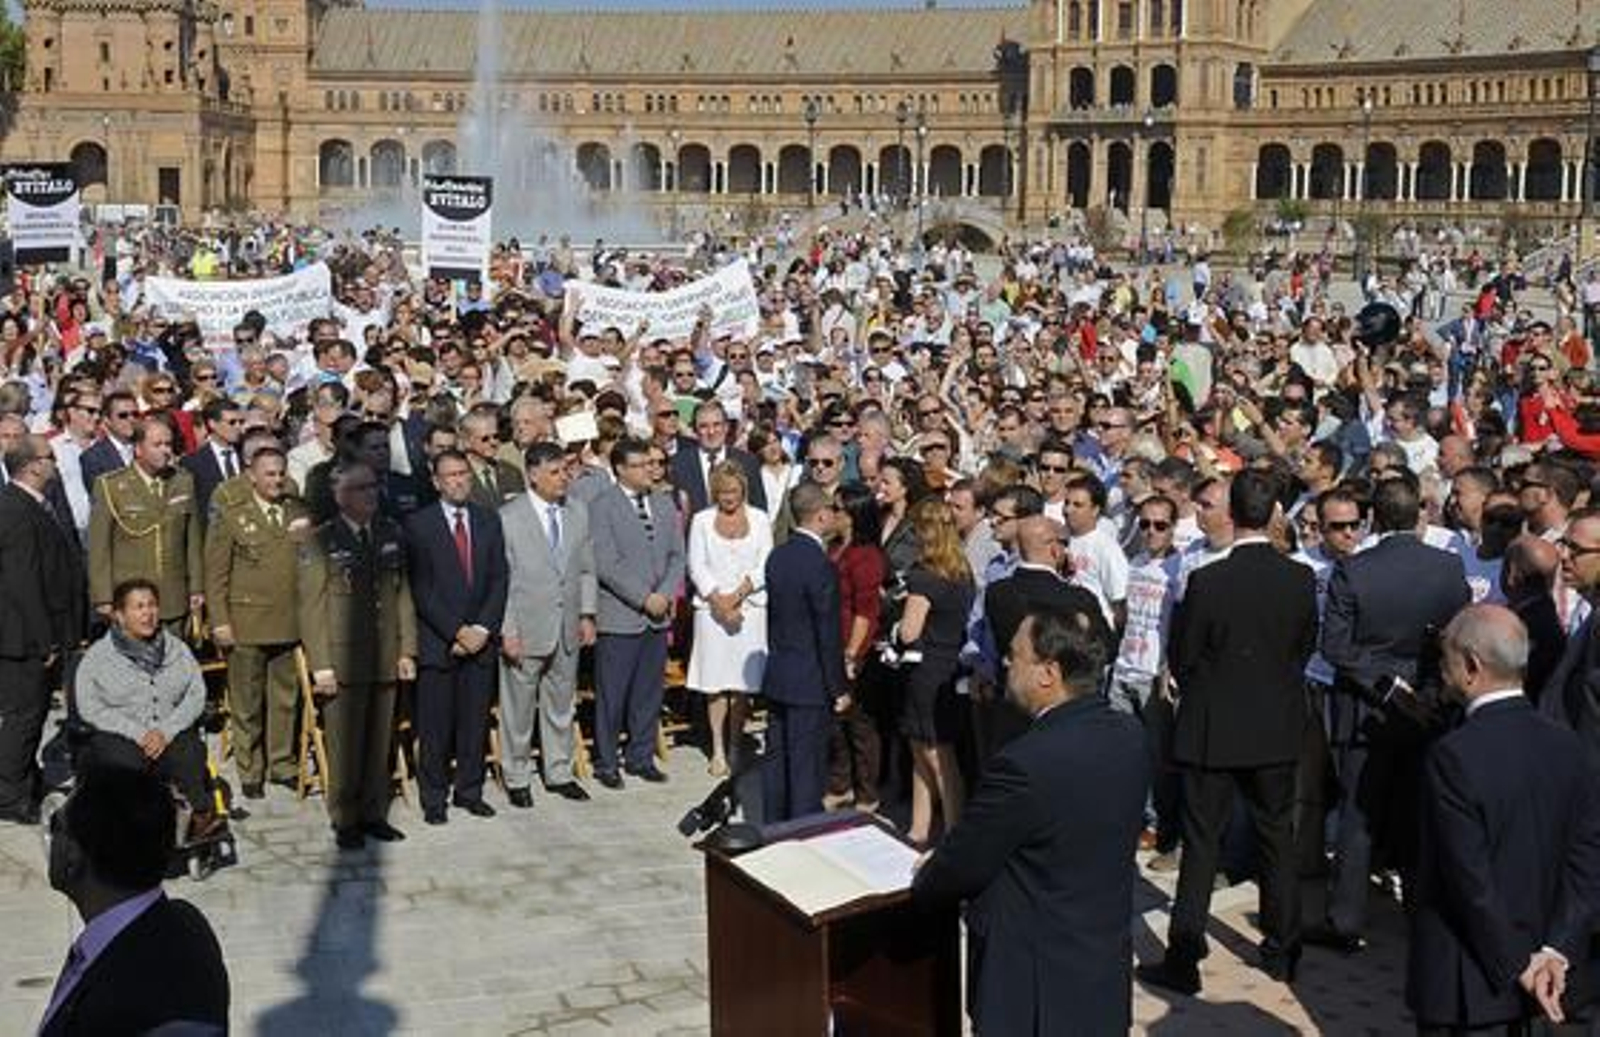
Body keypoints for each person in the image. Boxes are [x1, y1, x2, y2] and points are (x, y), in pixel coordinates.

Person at [913, 609, 1148, 1036]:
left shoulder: (1024, 765)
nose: (1005, 663)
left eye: (1015, 655)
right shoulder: (1130, 737)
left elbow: (963, 863)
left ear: (1048, 673)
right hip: (1099, 976)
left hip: (1034, 989)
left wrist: (925, 874)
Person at [1139, 469, 1319, 996]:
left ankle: (1184, 956)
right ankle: (1283, 952)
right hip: (1272, 727)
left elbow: (1185, 654)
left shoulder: (1209, 580)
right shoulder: (1299, 578)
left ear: (1233, 514)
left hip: (1213, 727)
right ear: (1274, 516)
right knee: (1276, 839)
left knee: (1201, 844)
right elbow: (1301, 649)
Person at [1408, 604, 1600, 1036]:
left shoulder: (1453, 755)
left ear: (1472, 665)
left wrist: (1519, 963)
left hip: (1467, 981)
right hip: (1541, 972)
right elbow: (1586, 860)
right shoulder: (1567, 745)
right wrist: (1556, 949)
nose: (1441, 670)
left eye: (1446, 659)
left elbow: (1468, 878)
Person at [1315, 476, 1472, 952]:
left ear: (1374, 519)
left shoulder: (1355, 570)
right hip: (1422, 707)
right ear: (1418, 514)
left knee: (1360, 815)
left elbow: (1337, 648)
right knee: (1414, 813)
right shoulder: (1447, 567)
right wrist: (1419, 689)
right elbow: (1455, 632)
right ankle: (1420, 917)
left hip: (1372, 708)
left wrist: (1389, 687)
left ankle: (1346, 920)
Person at [38, 766, 229, 1037]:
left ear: (73, 855)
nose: (50, 837)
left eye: (57, 823)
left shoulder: (130, 1001)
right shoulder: (187, 921)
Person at [299, 461, 418, 850]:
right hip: (342, 660)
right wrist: (320, 665)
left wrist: (407, 649)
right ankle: (345, 818)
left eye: (373, 487)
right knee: (346, 745)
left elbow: (401, 594)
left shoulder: (390, 533)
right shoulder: (322, 541)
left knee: (378, 741)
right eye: (361, 488)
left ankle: (372, 813)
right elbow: (312, 609)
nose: (371, 494)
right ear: (340, 496)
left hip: (383, 655)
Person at [403, 449, 509, 825]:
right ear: (436, 482)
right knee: (435, 726)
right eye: (450, 475)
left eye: (464, 473)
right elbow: (421, 587)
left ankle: (470, 790)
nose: (459, 480)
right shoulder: (418, 524)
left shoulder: (488, 520)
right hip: (439, 642)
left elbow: (499, 578)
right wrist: (456, 630)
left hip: (480, 641)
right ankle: (434, 797)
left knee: (474, 722)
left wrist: (481, 629)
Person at [73, 579, 219, 838]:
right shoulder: (98, 657)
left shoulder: (176, 649)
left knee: (191, 752)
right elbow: (89, 706)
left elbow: (196, 693)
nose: (148, 613)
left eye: (152, 605)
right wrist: (138, 732)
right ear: (119, 615)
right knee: (124, 763)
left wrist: (166, 729)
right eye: (139, 607)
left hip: (168, 731)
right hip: (121, 734)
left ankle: (199, 816)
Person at [203, 445, 308, 799]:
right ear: (251, 476)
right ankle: (251, 769)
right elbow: (216, 573)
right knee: (247, 701)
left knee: (285, 698)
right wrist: (219, 621)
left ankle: (282, 763)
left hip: (289, 620)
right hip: (246, 620)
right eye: (269, 473)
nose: (277, 480)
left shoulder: (298, 510)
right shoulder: (233, 514)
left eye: (281, 473)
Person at [499, 441, 597, 806]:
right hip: (526, 626)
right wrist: (508, 629)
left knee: (560, 703)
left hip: (567, 624)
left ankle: (558, 771)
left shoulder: (577, 511)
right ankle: (517, 775)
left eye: (565, 471)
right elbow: (504, 580)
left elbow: (587, 567)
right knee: (519, 709)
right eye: (555, 472)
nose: (564, 479)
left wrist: (586, 614)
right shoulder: (510, 517)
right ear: (534, 475)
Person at [589, 437, 686, 788]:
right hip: (621, 615)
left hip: (657, 616)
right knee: (613, 693)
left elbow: (678, 554)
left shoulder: (662, 503)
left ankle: (641, 756)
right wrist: (644, 597)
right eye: (643, 465)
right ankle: (606, 761)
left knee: (648, 691)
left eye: (653, 464)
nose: (651, 470)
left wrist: (663, 593)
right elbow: (606, 561)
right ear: (621, 469)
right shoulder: (602, 506)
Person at [0, 434, 85, 824]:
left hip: (40, 631)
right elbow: (22, 580)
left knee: (29, 716)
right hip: (25, 638)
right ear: (33, 465)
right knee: (25, 715)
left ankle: (21, 779)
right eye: (49, 457)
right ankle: (10, 795)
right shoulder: (15, 508)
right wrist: (43, 638)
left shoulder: (33, 504)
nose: (55, 462)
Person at [761, 481, 847, 822]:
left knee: (778, 762)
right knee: (806, 767)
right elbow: (826, 632)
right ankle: (802, 833)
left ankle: (773, 827)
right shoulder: (819, 564)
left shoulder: (777, 555)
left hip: (780, 672)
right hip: (810, 679)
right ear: (821, 515)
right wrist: (838, 686)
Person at [892, 498, 976, 845]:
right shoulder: (962, 572)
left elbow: (910, 631)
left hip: (927, 670)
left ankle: (951, 832)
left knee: (933, 756)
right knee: (929, 751)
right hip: (951, 666)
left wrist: (895, 627)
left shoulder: (924, 576)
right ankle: (920, 827)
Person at [685, 461, 772, 777]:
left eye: (734, 491)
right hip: (711, 612)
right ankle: (718, 748)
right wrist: (719, 602)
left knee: (742, 684)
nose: (729, 498)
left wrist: (737, 596)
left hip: (750, 609)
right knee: (715, 683)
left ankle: (736, 745)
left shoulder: (760, 520)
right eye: (723, 492)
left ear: (743, 490)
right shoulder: (701, 521)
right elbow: (696, 565)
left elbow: (765, 562)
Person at [87, 417, 204, 630]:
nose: (165, 450)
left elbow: (192, 541)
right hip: (132, 599)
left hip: (173, 597)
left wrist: (196, 587)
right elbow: (99, 548)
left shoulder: (183, 481)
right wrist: (103, 597)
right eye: (157, 445)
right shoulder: (110, 486)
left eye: (168, 444)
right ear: (138, 449)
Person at [825, 481, 888, 812]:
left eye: (837, 509)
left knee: (859, 725)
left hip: (855, 649)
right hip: (832, 643)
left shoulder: (866, 556)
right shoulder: (835, 547)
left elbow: (866, 611)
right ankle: (841, 783)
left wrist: (852, 653)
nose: (831, 514)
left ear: (853, 515)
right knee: (836, 723)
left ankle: (867, 792)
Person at [669, 398, 766, 514]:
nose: (711, 432)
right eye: (703, 426)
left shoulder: (748, 462)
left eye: (717, 425)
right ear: (695, 430)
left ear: (726, 427)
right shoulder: (678, 464)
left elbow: (759, 509)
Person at [179, 396, 245, 524]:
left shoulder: (248, 455)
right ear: (212, 424)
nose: (238, 427)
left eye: (241, 422)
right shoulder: (192, 463)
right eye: (232, 422)